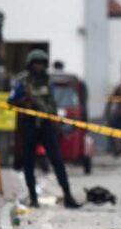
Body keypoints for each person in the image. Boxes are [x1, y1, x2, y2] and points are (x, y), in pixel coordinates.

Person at [9, 50, 82, 209]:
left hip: (47, 124)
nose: (39, 67)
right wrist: (24, 101)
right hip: (29, 125)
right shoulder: (22, 81)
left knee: (57, 161)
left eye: (42, 64)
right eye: (36, 64)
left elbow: (51, 102)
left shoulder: (47, 80)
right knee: (28, 162)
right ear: (30, 65)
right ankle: (33, 198)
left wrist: (55, 121)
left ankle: (68, 195)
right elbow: (11, 101)